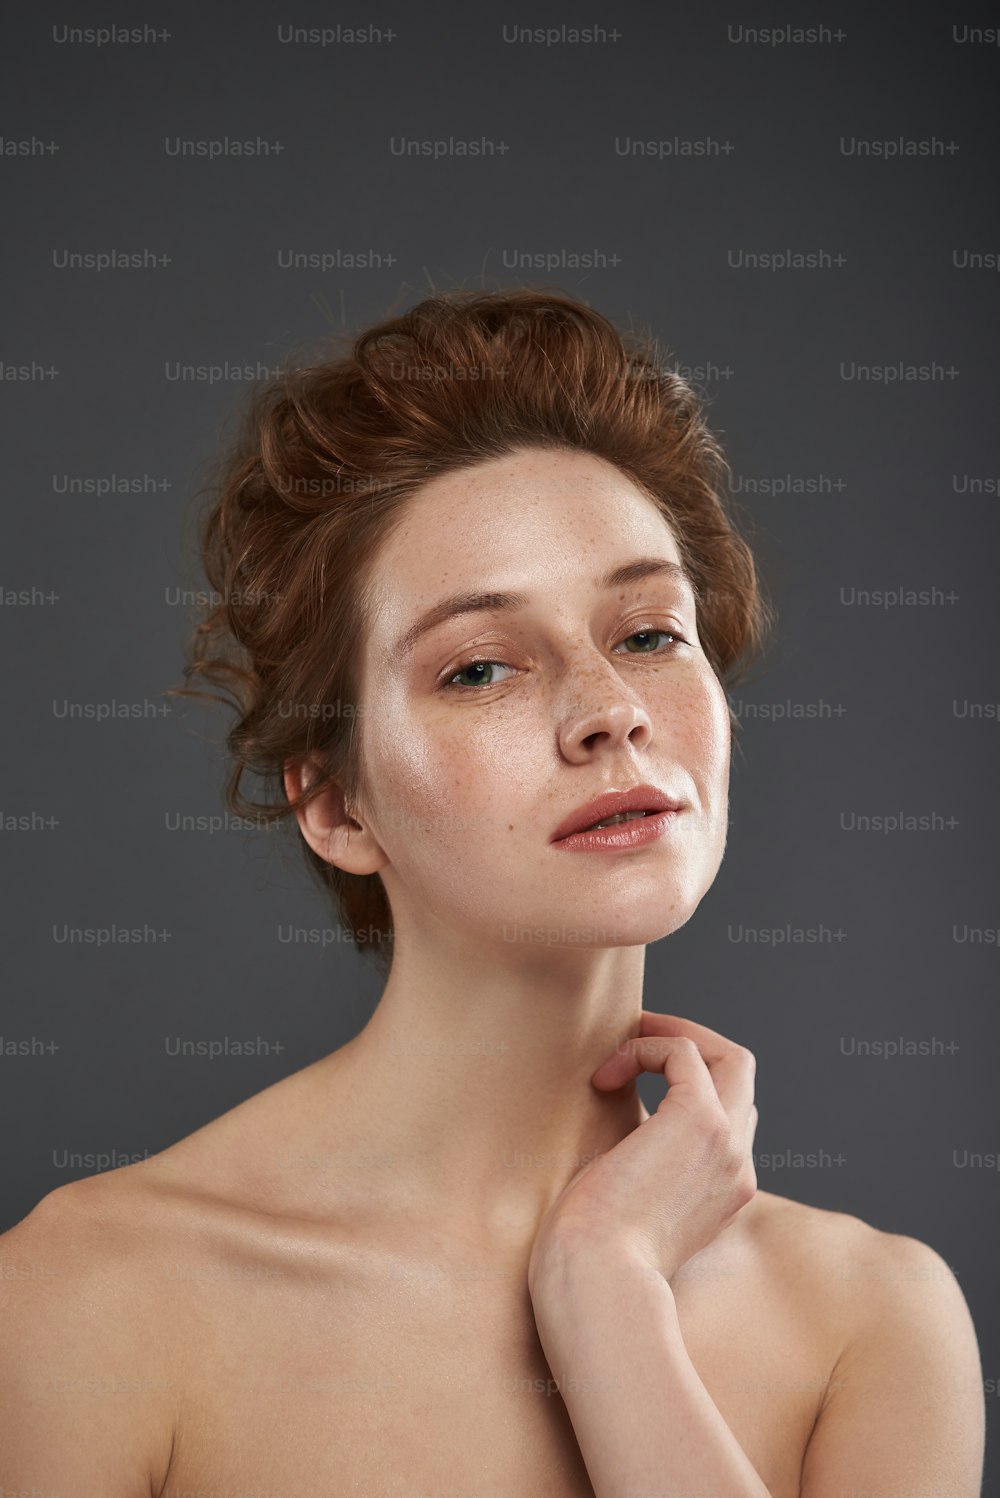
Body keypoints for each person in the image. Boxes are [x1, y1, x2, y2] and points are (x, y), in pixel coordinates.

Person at [0, 289, 985, 1494]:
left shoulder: (871, 1320)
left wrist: (606, 1292)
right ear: (337, 806)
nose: (609, 708)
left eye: (649, 633)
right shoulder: (86, 1302)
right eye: (478, 666)